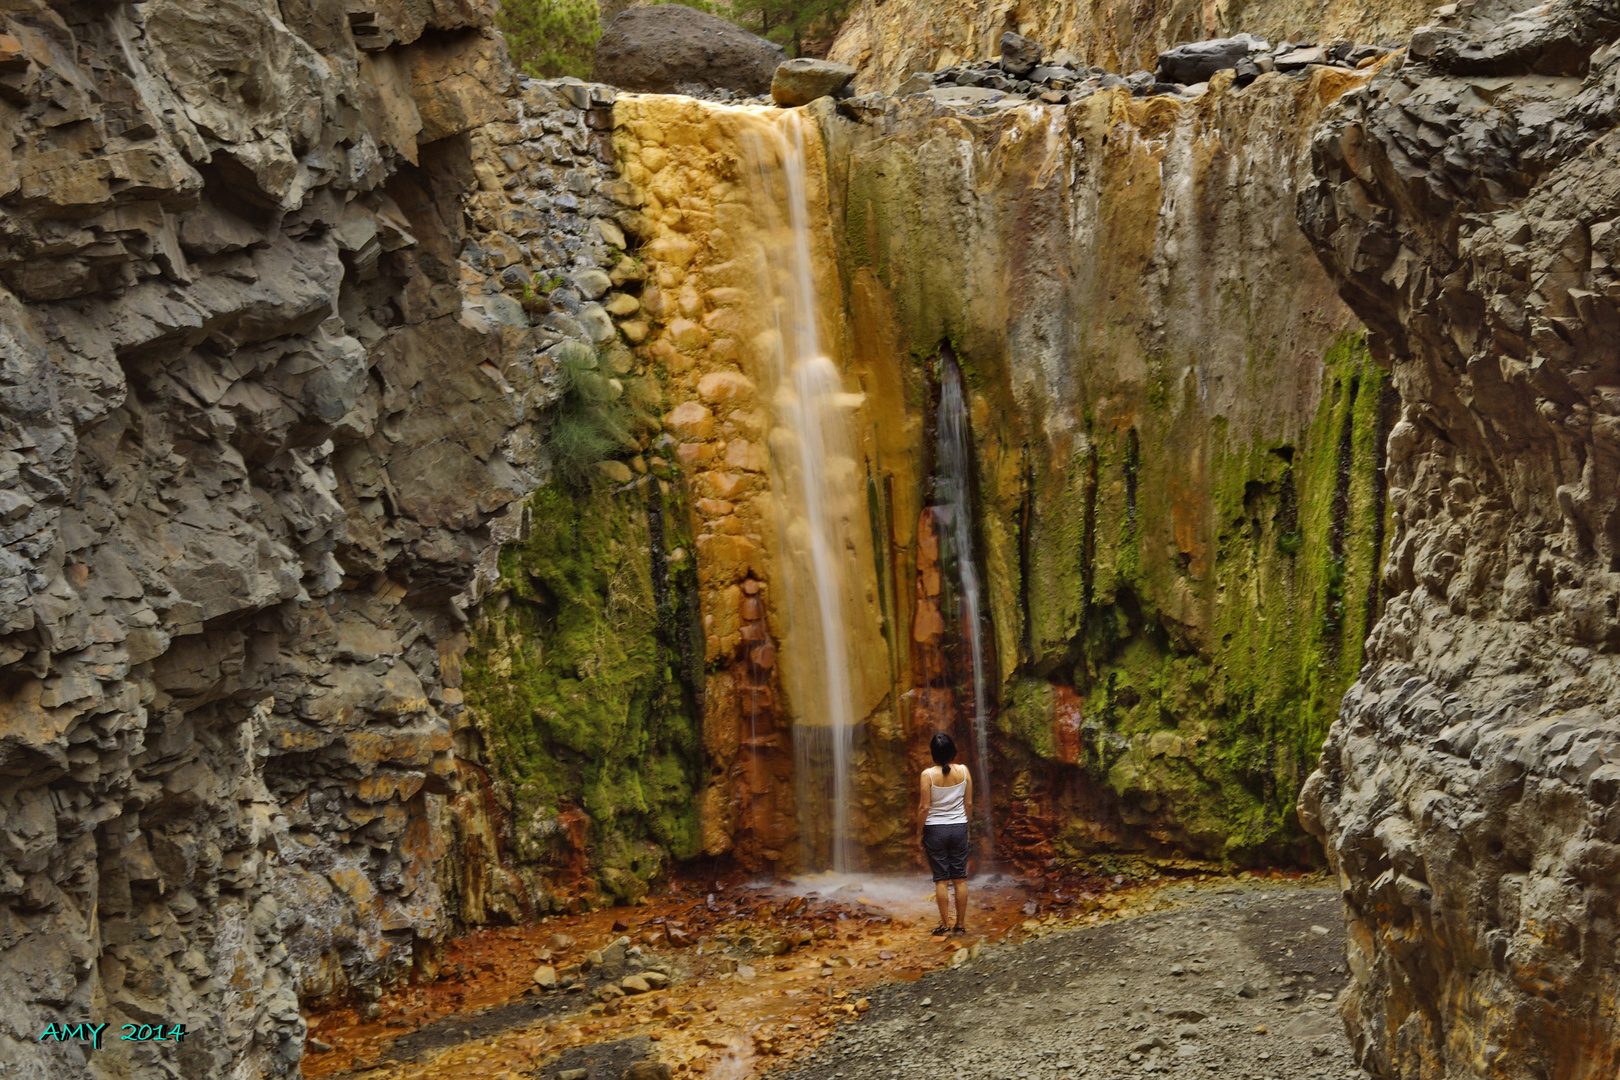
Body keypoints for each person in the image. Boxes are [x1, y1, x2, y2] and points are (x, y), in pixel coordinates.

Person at [918, 731, 971, 935]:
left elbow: (924, 808)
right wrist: (966, 827)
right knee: (960, 878)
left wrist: (918, 833)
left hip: (935, 830)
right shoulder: (964, 771)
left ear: (933, 753)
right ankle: (961, 925)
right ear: (953, 751)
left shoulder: (928, 775)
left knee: (941, 879)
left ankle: (945, 924)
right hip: (959, 827)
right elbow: (969, 803)